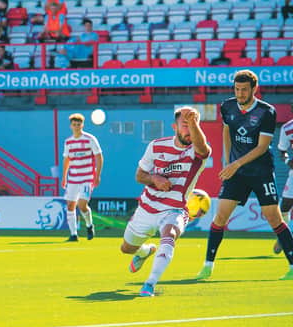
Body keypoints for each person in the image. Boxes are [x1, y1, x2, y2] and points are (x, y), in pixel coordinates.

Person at [195, 70, 293, 281]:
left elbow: (262, 147)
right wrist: (228, 163)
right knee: (220, 216)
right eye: (237, 89)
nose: (239, 93)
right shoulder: (227, 106)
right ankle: (207, 266)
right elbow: (226, 130)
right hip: (237, 172)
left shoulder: (267, 112)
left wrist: (236, 163)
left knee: (273, 217)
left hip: (261, 172)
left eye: (244, 90)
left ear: (254, 89)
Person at [121, 107, 211, 297]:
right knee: (126, 248)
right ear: (174, 127)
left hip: (175, 209)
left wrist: (193, 123)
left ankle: (149, 284)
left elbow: (203, 149)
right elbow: (139, 176)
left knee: (169, 235)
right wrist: (155, 179)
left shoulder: (198, 151)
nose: (190, 130)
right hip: (147, 208)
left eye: (195, 125)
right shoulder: (156, 146)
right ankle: (145, 251)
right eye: (185, 125)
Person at [61, 113, 103, 242]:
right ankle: (73, 234)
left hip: (87, 177)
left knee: (82, 205)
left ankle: (89, 225)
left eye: (78, 124)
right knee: (70, 205)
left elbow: (99, 157)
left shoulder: (90, 139)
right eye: (74, 124)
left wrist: (97, 175)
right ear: (71, 126)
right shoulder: (68, 142)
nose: (76, 127)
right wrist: (64, 177)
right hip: (73, 178)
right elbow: (66, 160)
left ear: (82, 125)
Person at [274, 104, 293, 254]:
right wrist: (288, 161)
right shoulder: (287, 128)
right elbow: (282, 151)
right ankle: (283, 236)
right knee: (285, 206)